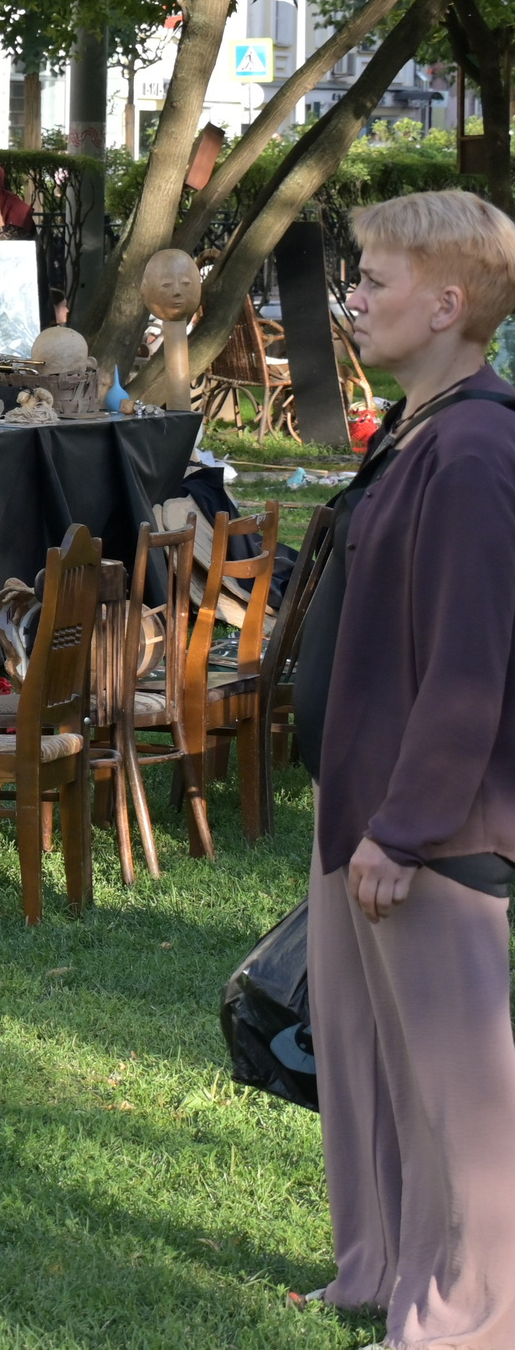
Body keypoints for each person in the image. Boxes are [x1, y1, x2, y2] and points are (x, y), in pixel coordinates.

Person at [301, 190, 515, 1348]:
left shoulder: (478, 449)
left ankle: (476, 1317)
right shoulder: (421, 427)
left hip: (423, 830)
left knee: (456, 1104)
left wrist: (409, 826)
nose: (354, 299)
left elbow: (472, 664)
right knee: (375, 1085)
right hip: (363, 814)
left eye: (373, 281)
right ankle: (377, 1274)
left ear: (445, 303)